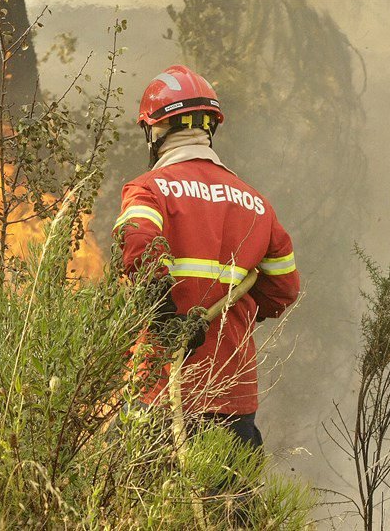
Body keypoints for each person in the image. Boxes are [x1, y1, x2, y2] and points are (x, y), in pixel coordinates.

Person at [113, 65, 300, 448]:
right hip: (232, 389)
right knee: (228, 487)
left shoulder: (148, 190)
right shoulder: (256, 204)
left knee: (142, 484)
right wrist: (236, 312)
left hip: (161, 386)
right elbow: (284, 290)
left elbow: (139, 246)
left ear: (156, 130)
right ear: (209, 127)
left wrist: (164, 315)